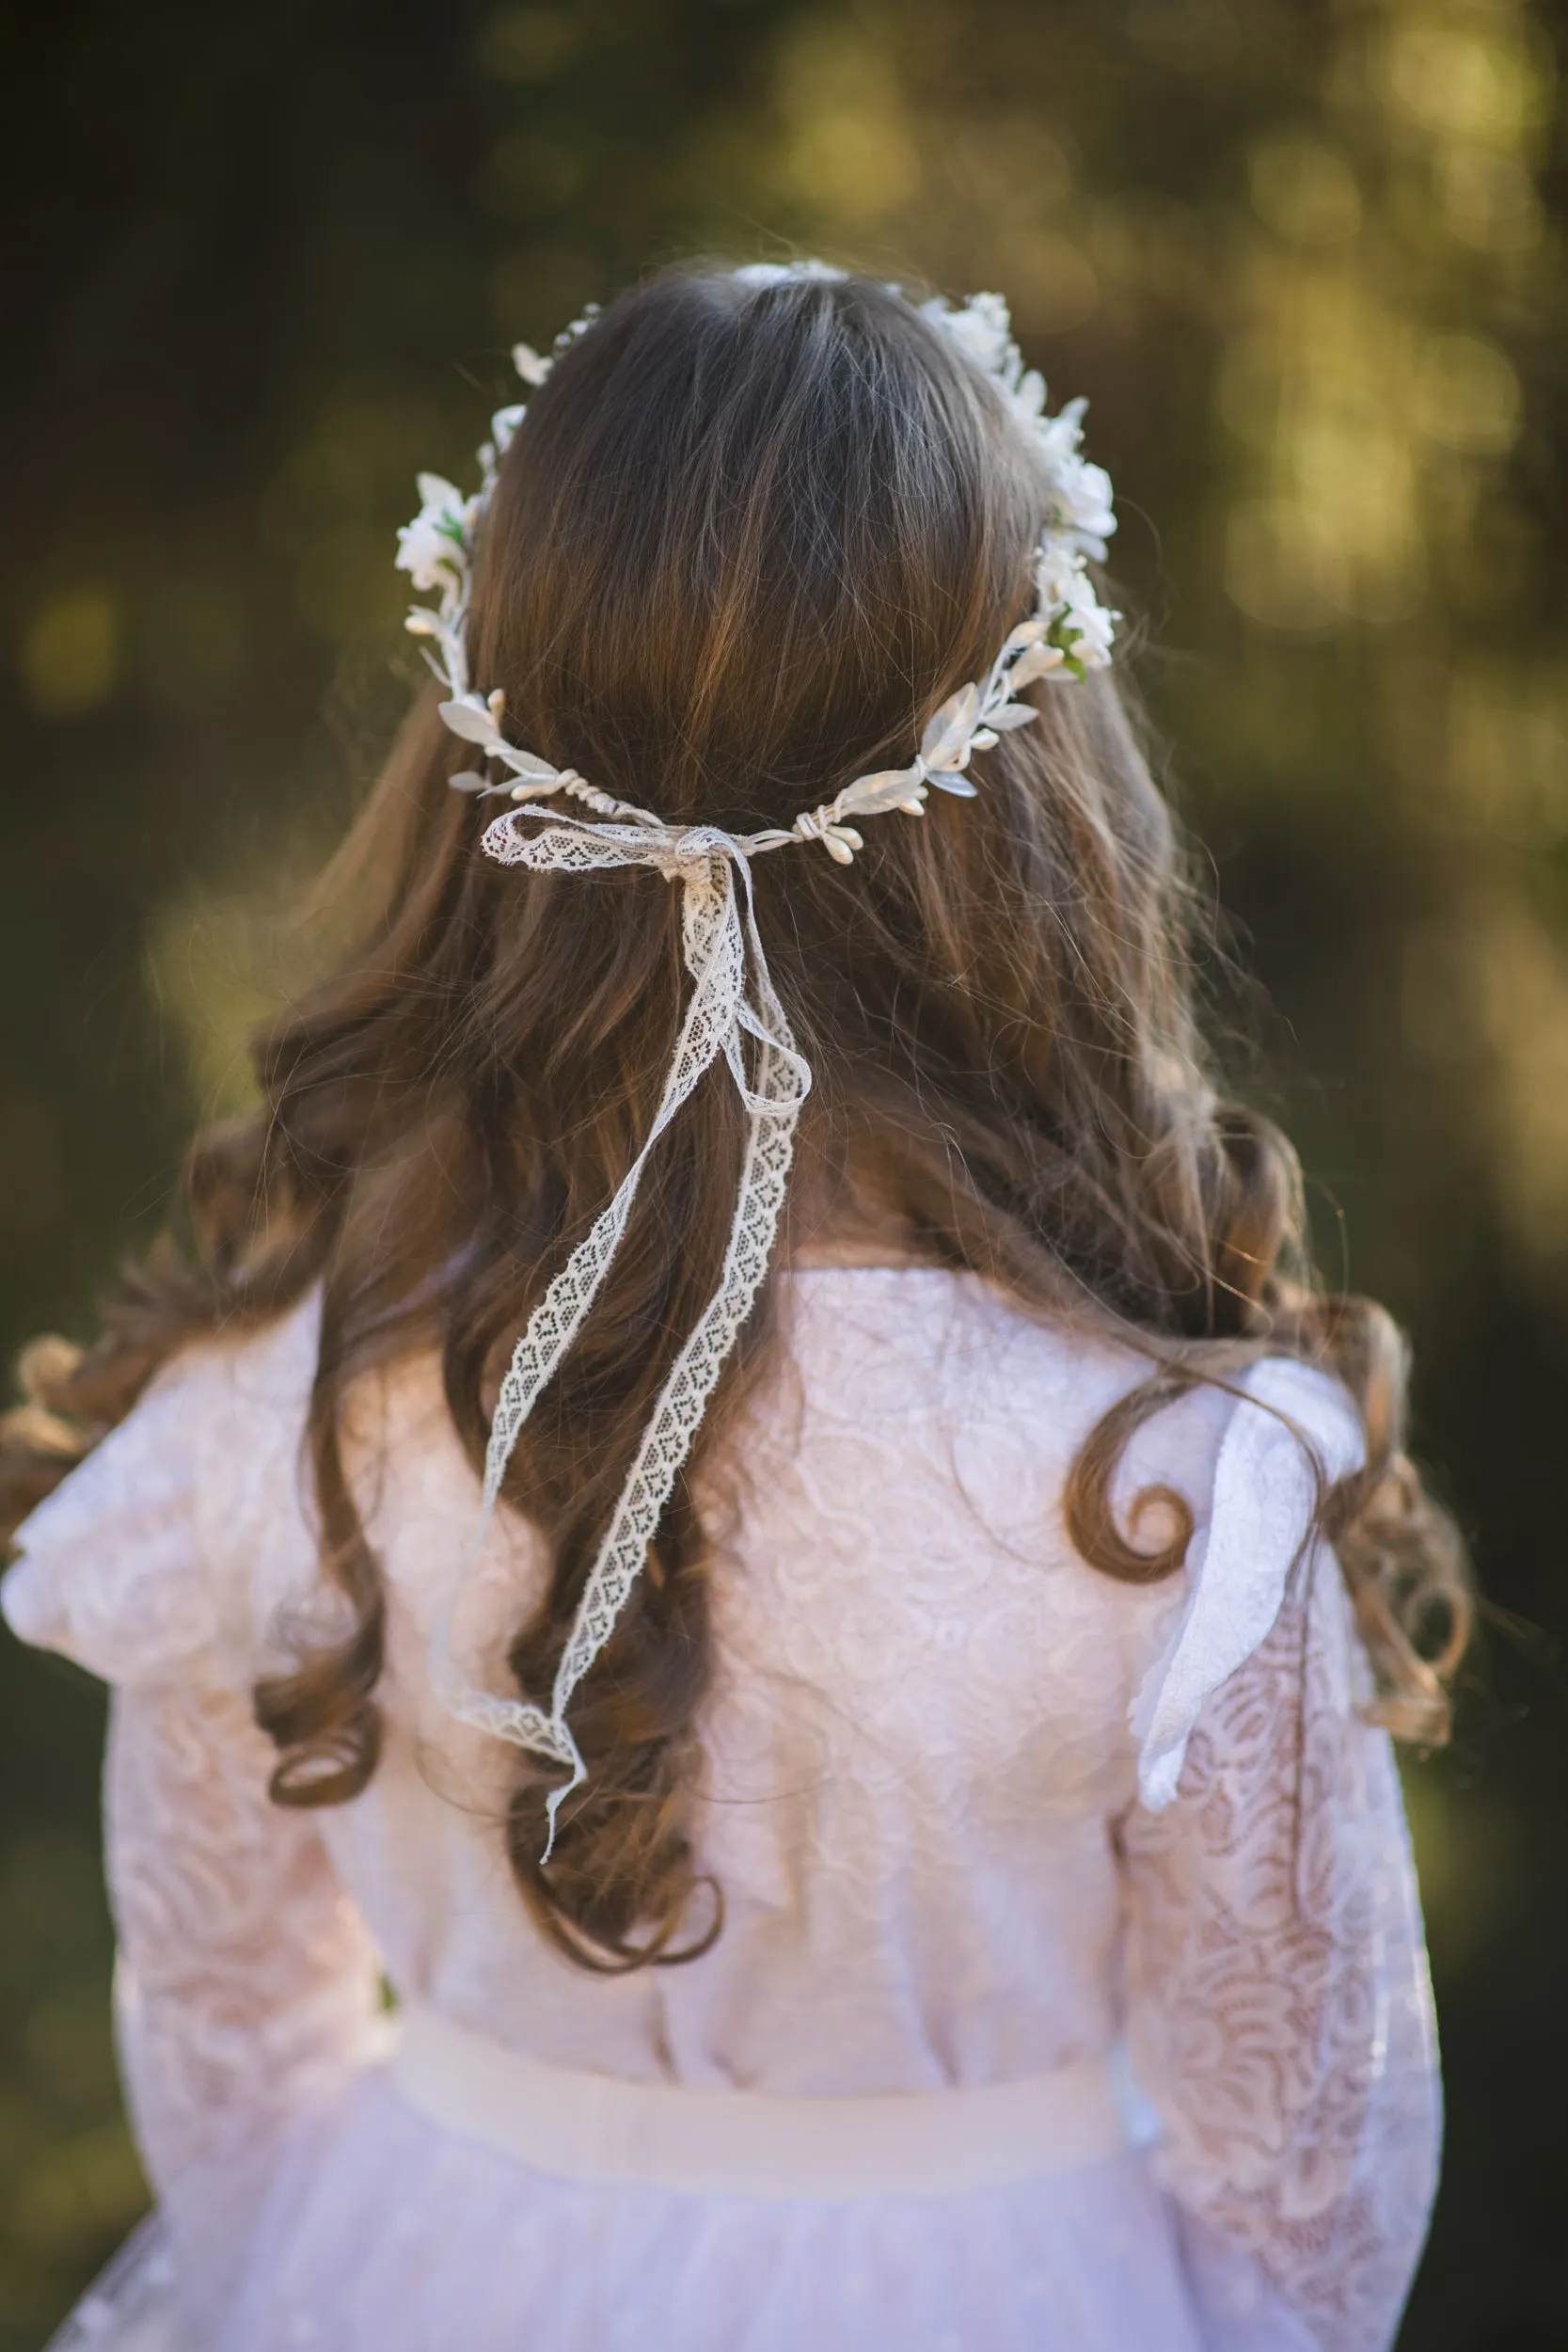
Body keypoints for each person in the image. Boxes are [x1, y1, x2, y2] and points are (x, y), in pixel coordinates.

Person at [1, 262, 1468, 2352]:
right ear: (1043, 804)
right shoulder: (1161, 1486)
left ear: (480, 767)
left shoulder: (290, 1391)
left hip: (418, 2270)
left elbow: (229, 2038)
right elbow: (1306, 2175)